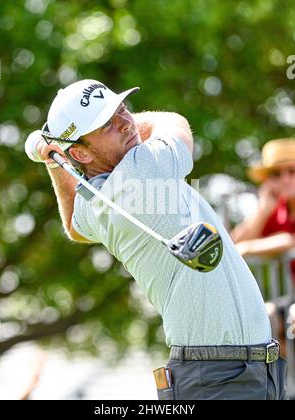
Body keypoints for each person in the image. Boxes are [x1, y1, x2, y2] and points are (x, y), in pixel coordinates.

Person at [25, 79, 287, 400]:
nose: (125, 123)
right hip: (219, 376)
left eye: (123, 110)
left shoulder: (97, 204)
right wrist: (57, 153)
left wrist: (54, 160)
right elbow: (173, 122)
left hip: (234, 370)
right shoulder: (143, 168)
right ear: (79, 152)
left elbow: (74, 226)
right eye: (106, 124)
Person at [231, 138, 295, 265]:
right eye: (276, 174)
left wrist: (248, 248)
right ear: (267, 180)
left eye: (292, 171)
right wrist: (262, 210)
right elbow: (232, 246)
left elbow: (289, 240)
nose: (285, 180)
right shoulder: (277, 211)